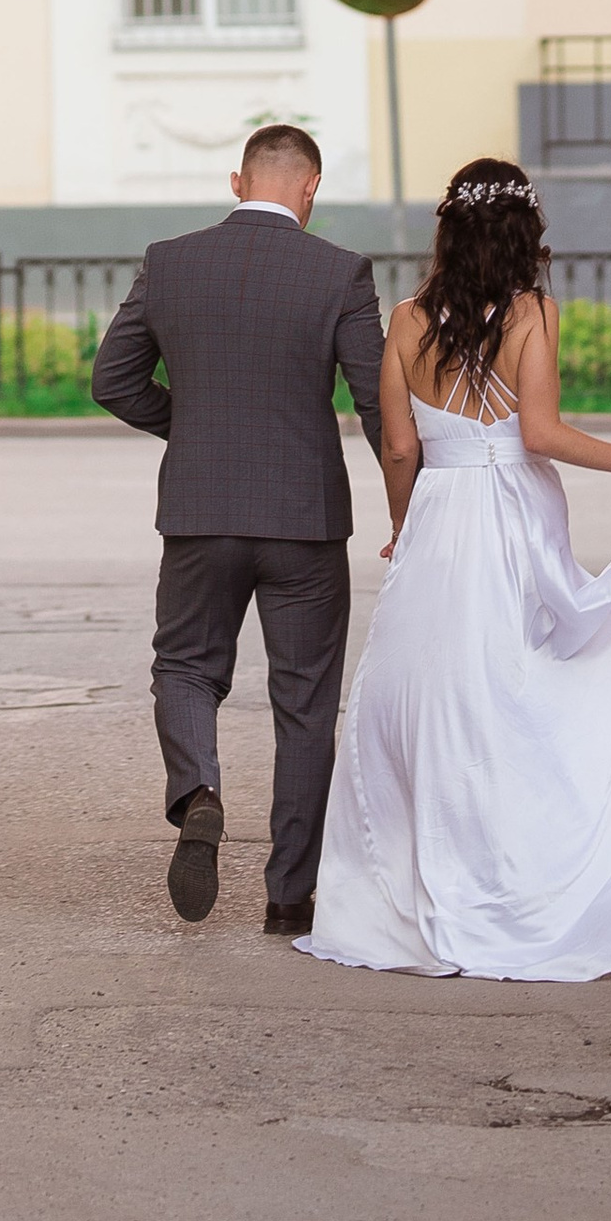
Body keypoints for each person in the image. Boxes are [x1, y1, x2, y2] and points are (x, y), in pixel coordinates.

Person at [300, 156, 611, 982]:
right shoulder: (531, 311)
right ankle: (523, 876)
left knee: (429, 697)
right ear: (525, 232)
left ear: (448, 229)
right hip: (510, 517)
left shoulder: (409, 318)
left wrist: (402, 526)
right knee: (519, 690)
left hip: (438, 518)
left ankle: (417, 883)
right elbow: (540, 434)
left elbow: (399, 444)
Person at [90, 122, 398, 938]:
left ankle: (199, 792)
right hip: (304, 521)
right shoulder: (340, 272)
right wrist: (418, 505)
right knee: (304, 701)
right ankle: (289, 895)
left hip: (200, 511)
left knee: (186, 666)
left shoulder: (170, 260)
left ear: (236, 181)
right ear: (311, 186)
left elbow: (112, 378)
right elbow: (379, 408)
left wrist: (187, 426)